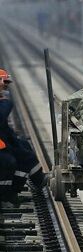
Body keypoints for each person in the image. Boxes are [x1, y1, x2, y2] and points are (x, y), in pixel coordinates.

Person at [0, 69, 47, 207]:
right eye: (4, 83)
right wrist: (6, 103)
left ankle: (15, 191)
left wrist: (15, 141)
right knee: (10, 161)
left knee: (24, 147)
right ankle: (6, 194)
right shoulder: (3, 103)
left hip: (3, 140)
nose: (6, 87)